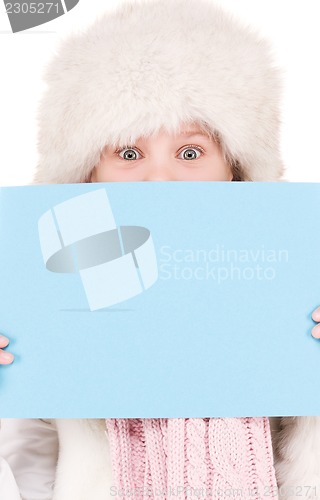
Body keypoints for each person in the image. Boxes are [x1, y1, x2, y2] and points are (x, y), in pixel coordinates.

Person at [1, 0, 320, 498]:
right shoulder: (42, 290)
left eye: (190, 153)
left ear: (234, 169)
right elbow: (25, 464)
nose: (159, 177)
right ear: (87, 172)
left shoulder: (288, 272)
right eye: (129, 153)